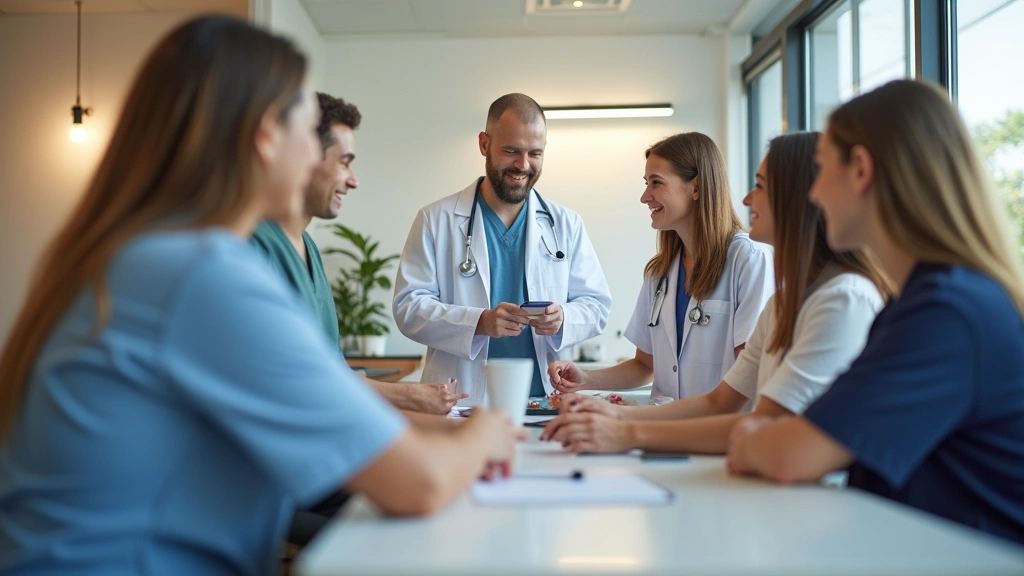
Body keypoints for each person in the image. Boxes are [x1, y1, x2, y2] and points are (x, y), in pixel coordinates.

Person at [0, 17, 516, 576]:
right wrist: (489, 428)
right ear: (268, 134)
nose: (324, 156)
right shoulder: (200, 274)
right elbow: (421, 483)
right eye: (306, 124)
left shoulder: (145, 254)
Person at [726, 80, 1024, 546]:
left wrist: (753, 436)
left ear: (860, 169)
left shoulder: (947, 313)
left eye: (821, 170)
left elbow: (793, 454)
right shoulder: (931, 302)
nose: (815, 194)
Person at [541, 132, 893, 454]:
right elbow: (717, 402)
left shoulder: (833, 295)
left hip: (729, 451)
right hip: (708, 445)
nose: (746, 198)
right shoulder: (779, 303)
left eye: (656, 183)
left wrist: (626, 430)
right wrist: (608, 409)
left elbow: (759, 420)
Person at [251, 92, 464, 416]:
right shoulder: (254, 248)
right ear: (303, 154)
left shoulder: (307, 249)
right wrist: (406, 397)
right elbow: (288, 376)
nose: (353, 180)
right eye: (344, 162)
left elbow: (330, 369)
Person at [392, 93, 612, 404]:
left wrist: (563, 317)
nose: (523, 165)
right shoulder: (436, 220)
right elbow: (408, 308)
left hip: (546, 399)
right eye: (511, 151)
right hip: (463, 399)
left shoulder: (566, 224)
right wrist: (478, 322)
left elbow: (597, 305)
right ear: (484, 144)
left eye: (535, 153)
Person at [546, 132, 774, 402]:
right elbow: (645, 366)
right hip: (665, 433)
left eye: (656, 183)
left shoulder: (747, 259)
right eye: (646, 183)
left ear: (697, 188)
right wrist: (586, 379)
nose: (645, 196)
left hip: (719, 433)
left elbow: (749, 374)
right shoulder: (660, 272)